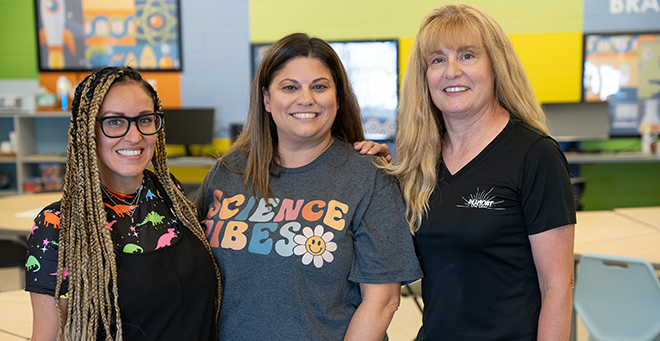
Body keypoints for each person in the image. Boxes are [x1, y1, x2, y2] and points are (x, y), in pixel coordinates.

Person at [193, 32, 422, 341]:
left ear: (337, 98)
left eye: (320, 86)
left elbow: (382, 301)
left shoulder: (369, 177)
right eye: (290, 87)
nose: (306, 99)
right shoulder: (228, 172)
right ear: (266, 98)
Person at [382, 3, 576, 340]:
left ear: (495, 65)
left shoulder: (534, 155)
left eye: (467, 55)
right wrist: (370, 170)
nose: (451, 71)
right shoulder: (420, 163)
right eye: (437, 59)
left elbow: (558, 287)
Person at [25, 66, 222, 341]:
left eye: (145, 119)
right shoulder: (58, 225)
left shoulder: (170, 194)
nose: (134, 136)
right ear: (88, 130)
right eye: (115, 121)